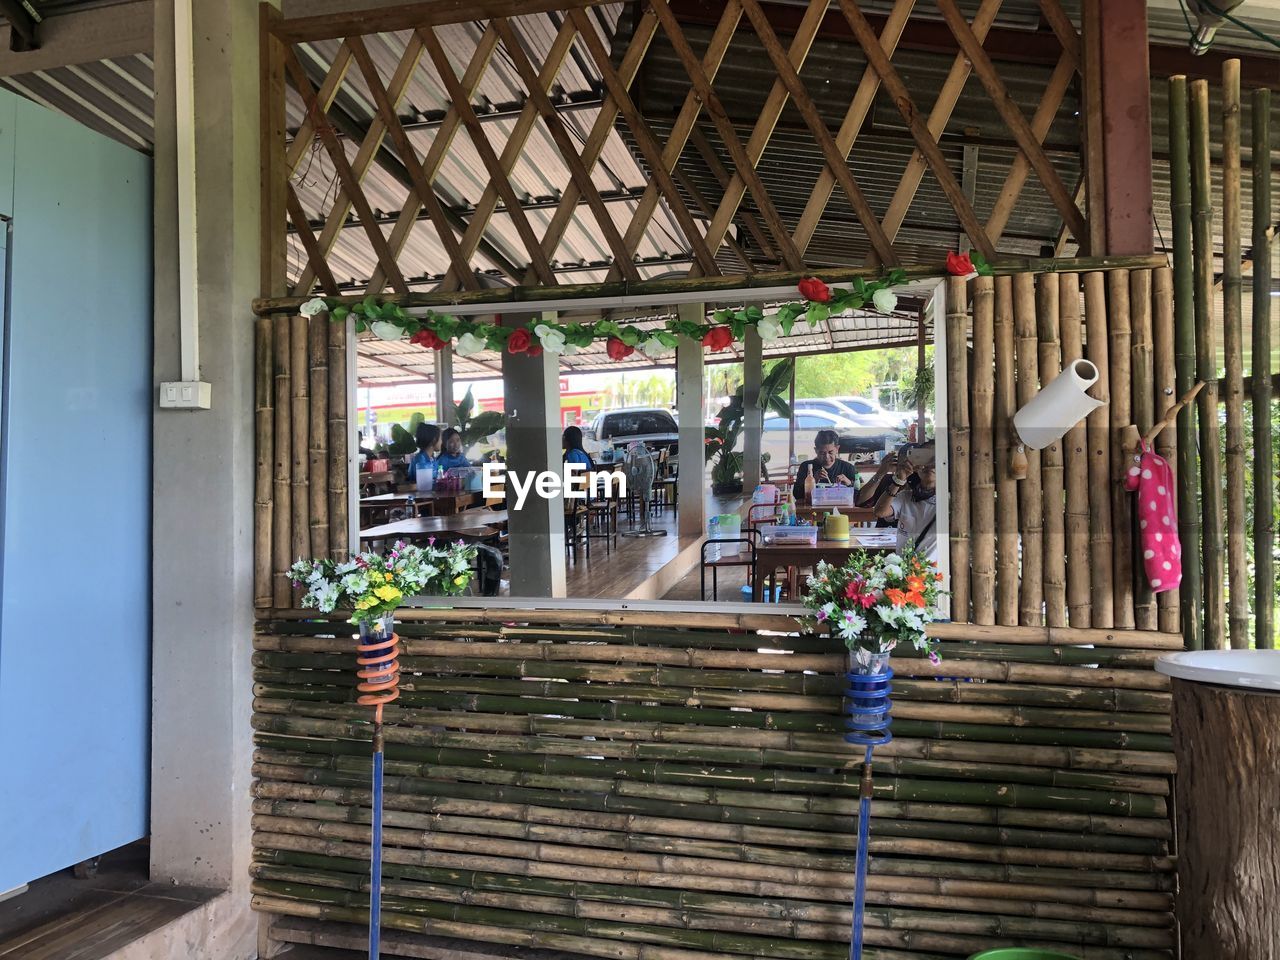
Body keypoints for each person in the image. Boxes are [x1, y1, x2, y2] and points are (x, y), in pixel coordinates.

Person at [871, 450, 937, 560]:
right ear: (916, 467)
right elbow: (879, 512)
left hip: (934, 571)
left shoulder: (949, 501)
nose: (929, 466)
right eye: (924, 462)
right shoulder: (905, 497)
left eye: (933, 462)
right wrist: (899, 480)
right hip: (904, 568)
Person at [793, 429, 858, 500]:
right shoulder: (807, 467)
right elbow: (797, 495)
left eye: (830, 452)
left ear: (837, 449)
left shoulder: (848, 468)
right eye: (822, 453)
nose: (826, 457)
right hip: (814, 509)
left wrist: (849, 484)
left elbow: (860, 496)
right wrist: (813, 481)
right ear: (816, 450)